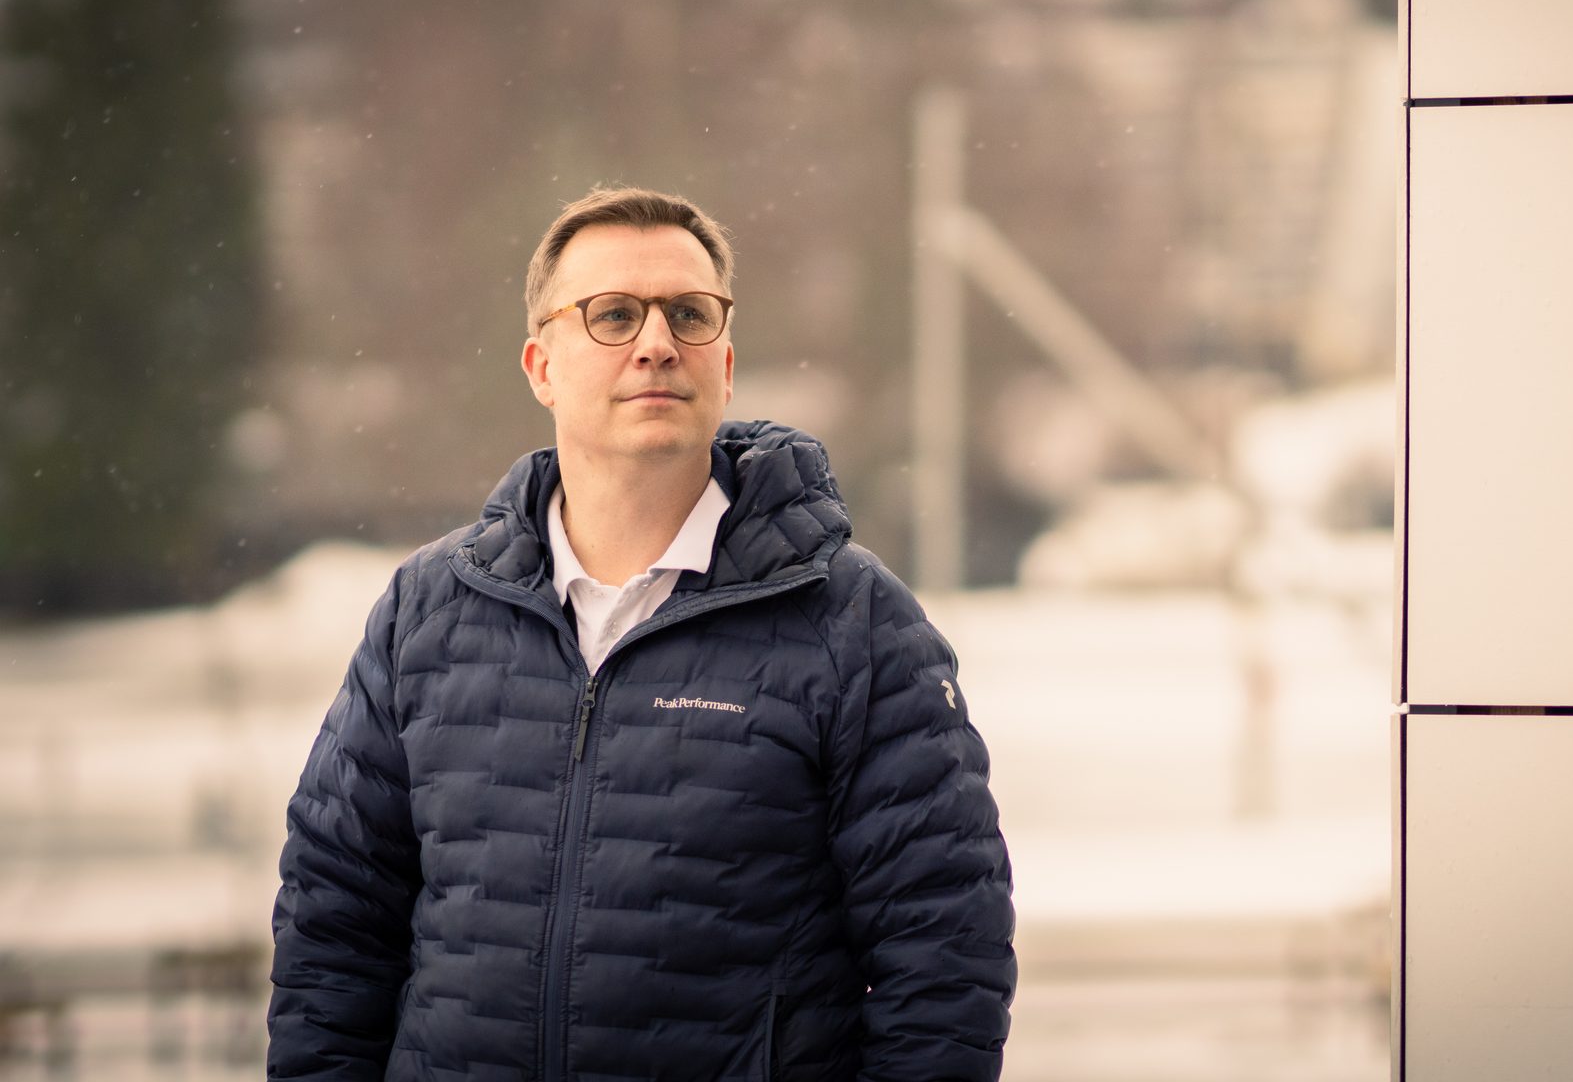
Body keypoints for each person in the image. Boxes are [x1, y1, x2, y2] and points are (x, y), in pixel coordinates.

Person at [268, 187, 1016, 1080]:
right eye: (613, 314)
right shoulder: (428, 612)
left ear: (726, 363)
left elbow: (943, 961)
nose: (657, 343)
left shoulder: (854, 624)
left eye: (689, 315)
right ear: (541, 365)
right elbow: (334, 930)